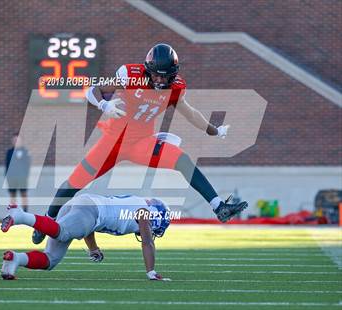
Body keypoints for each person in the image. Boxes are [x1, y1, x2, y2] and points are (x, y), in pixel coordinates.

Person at [32, 43, 248, 244]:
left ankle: (219, 206)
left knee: (181, 160)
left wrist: (214, 130)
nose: (160, 81)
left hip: (141, 143)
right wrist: (103, 104)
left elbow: (190, 112)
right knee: (74, 183)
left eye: (166, 77)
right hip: (112, 143)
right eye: (156, 75)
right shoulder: (130, 74)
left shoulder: (176, 87)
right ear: (147, 70)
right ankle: (45, 222)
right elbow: (93, 89)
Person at [1, 193, 171, 281]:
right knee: (63, 232)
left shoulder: (137, 206)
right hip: (90, 208)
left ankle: (14, 259)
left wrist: (93, 248)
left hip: (87, 207)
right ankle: (21, 216)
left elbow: (90, 225)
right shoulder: (143, 212)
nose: (153, 229)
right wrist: (151, 271)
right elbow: (148, 242)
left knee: (51, 259)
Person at [5, 133, 30, 212]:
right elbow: (7, 164)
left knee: (24, 194)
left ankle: (25, 212)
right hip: (12, 177)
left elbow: (27, 164)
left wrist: (25, 175)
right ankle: (13, 212)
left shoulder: (25, 151)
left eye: (17, 140)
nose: (16, 141)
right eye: (14, 140)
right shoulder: (9, 152)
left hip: (22, 177)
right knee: (12, 195)